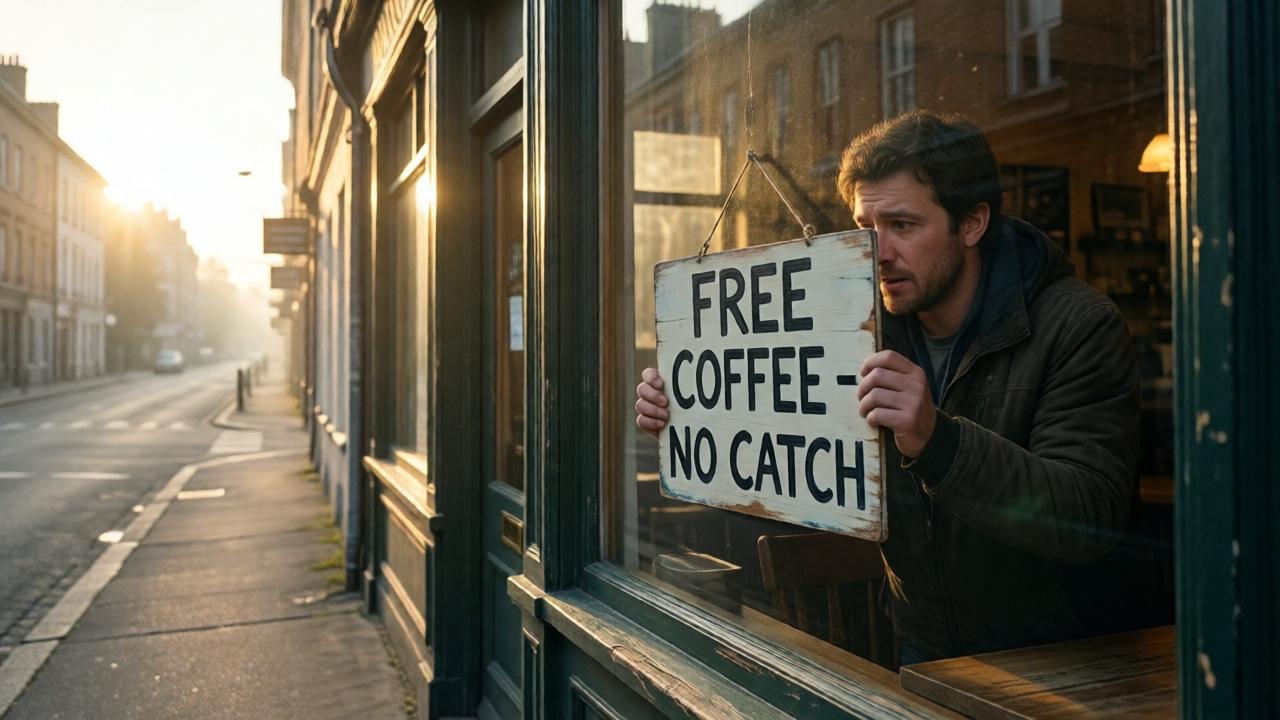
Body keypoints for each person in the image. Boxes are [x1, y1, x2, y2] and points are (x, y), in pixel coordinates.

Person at [634, 109, 1140, 664]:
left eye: (902, 226)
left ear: (971, 224)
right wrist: (703, 412)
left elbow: (1091, 516)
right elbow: (794, 472)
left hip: (1061, 667)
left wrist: (938, 441)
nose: (878, 252)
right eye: (864, 228)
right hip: (918, 658)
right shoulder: (853, 325)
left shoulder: (1078, 324)